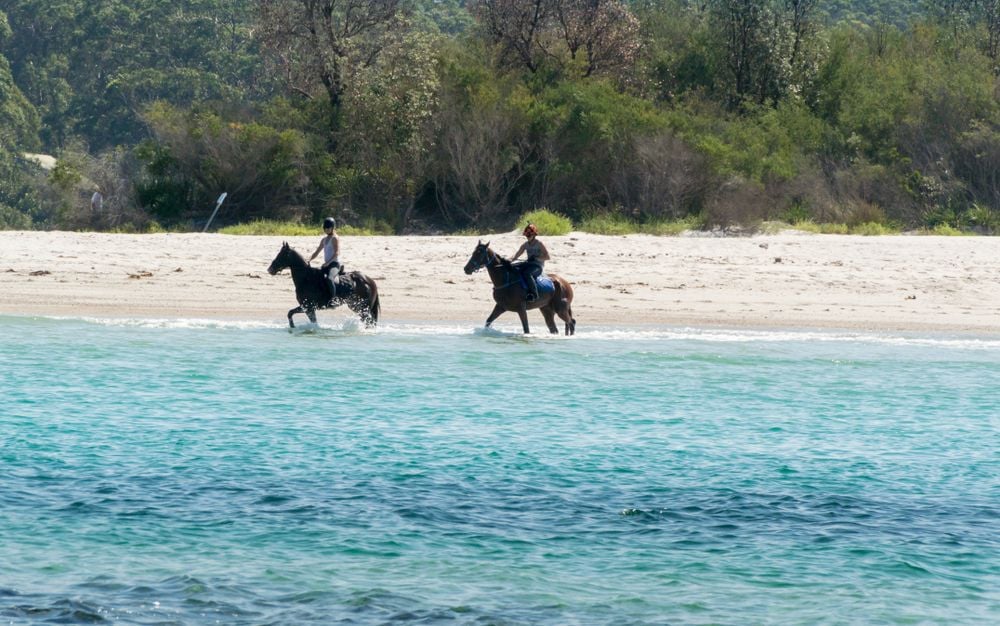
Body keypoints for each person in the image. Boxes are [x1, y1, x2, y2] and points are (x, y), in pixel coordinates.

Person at [511, 223, 550, 302]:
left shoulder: (539, 244)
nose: (528, 237)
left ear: (534, 235)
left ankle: (534, 294)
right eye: (527, 235)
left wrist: (536, 258)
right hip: (528, 264)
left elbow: (548, 257)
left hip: (537, 266)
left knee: (527, 274)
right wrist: (508, 261)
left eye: (530, 235)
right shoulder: (525, 245)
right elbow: (516, 256)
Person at [309, 217, 341, 287]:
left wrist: (328, 263)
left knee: (329, 279)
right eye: (325, 228)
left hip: (334, 265)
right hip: (326, 265)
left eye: (328, 228)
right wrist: (309, 260)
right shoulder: (324, 239)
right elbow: (316, 252)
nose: (326, 230)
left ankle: (332, 297)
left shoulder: (335, 238)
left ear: (332, 228)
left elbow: (337, 253)